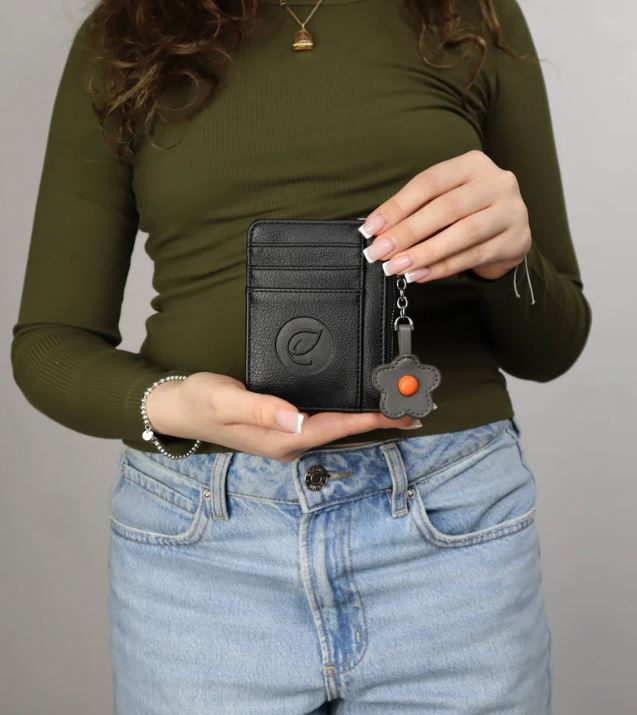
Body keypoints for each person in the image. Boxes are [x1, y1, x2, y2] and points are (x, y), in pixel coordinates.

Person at [11, 0, 591, 712]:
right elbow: (49, 344)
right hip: (203, 550)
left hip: (448, 533)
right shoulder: (125, 34)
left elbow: (553, 346)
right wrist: (172, 407)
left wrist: (510, 259)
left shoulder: (468, 14)